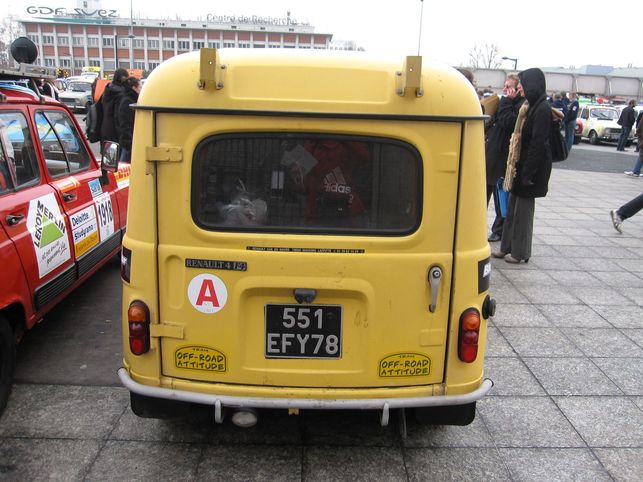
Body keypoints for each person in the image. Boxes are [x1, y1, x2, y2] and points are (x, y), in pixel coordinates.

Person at [493, 68, 552, 264]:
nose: (520, 89)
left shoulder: (542, 108)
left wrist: (528, 172)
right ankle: (506, 247)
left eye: (522, 86)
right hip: (520, 165)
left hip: (531, 169)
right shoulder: (529, 106)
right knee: (512, 210)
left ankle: (520, 252)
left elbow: (538, 143)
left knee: (523, 213)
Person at [485, 74, 525, 242]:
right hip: (491, 153)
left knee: (500, 194)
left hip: (503, 157)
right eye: (505, 86)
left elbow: (508, 123)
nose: (505, 89)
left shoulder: (519, 106)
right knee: (483, 193)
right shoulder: (505, 103)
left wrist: (507, 101)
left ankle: (499, 229)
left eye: (509, 86)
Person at [99, 68, 129, 147]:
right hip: (115, 131)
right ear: (122, 78)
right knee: (117, 156)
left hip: (104, 127)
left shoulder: (107, 89)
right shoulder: (120, 94)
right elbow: (118, 115)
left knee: (107, 156)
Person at [115, 76, 141, 162]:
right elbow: (126, 125)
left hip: (130, 141)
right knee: (125, 167)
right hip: (129, 144)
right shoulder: (128, 102)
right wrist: (129, 144)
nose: (141, 89)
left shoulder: (131, 100)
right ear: (134, 88)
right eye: (140, 87)